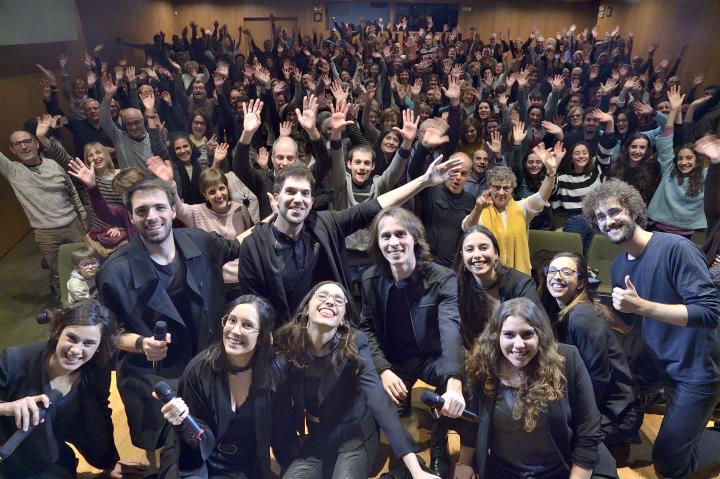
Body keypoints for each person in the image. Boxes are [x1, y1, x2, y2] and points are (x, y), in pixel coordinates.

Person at [96, 177, 242, 478]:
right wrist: (140, 343)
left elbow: (240, 243)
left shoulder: (199, 240)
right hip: (155, 373)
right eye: (142, 210)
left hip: (205, 359)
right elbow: (104, 332)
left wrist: (280, 213)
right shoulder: (114, 271)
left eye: (160, 207)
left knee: (218, 435)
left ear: (174, 210)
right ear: (131, 216)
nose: (152, 217)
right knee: (174, 447)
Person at [582, 179, 720, 478]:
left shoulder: (675, 247)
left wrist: (642, 306)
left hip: (698, 372)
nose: (609, 221)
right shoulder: (619, 266)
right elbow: (632, 324)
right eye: (601, 218)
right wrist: (604, 312)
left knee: (670, 465)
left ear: (633, 210)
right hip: (664, 370)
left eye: (614, 211)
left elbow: (709, 312)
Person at [237, 149, 463, 324]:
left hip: (330, 334)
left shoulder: (324, 224)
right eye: (291, 192)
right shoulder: (254, 246)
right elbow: (253, 304)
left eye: (305, 193)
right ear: (273, 199)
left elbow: (372, 207)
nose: (298, 199)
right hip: (283, 340)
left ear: (312, 202)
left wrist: (424, 181)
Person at [275, 281, 444, 479]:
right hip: (317, 437)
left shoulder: (355, 342)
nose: (330, 302)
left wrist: (415, 470)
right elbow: (277, 405)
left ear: (343, 319)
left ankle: (402, 474)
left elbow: (378, 401)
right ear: (306, 306)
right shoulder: (287, 342)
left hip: (355, 435)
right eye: (322, 296)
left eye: (339, 300)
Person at [452, 297, 617, 479]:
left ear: (540, 334)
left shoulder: (568, 359)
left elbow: (589, 429)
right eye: (509, 335)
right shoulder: (484, 367)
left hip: (564, 468)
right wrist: (464, 463)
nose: (519, 345)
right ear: (496, 335)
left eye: (527, 334)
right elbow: (472, 423)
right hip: (506, 471)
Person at [360, 207, 466, 477]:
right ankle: (412, 468)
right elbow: (367, 329)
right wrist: (383, 370)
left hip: (432, 356)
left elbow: (450, 326)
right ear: (378, 243)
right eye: (386, 236)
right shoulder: (370, 279)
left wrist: (454, 381)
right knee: (376, 403)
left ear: (414, 238)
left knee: (464, 385)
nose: (393, 242)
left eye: (400, 234)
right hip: (395, 361)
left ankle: (440, 442)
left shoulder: (442, 277)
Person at [0, 300, 145, 479]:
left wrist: (109, 462)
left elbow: (99, 417)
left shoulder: (96, 372)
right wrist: (7, 408)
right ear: (58, 331)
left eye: (88, 343)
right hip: (13, 456)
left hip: (54, 457)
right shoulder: (14, 360)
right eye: (72, 338)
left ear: (99, 347)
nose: (76, 350)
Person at [157, 295, 295, 478]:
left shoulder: (276, 373)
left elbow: (282, 433)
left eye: (247, 325)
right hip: (195, 457)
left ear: (262, 337)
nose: (235, 331)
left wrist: (294, 471)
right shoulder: (198, 370)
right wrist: (180, 421)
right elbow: (194, 438)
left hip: (244, 464)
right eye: (232, 320)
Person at [539, 252, 642, 446]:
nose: (557, 276)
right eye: (552, 271)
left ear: (580, 282)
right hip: (599, 403)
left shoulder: (582, 316)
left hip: (616, 414)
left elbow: (598, 377)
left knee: (549, 437)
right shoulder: (561, 310)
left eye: (566, 272)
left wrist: (579, 419)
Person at [1, 127, 86, 297]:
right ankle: (66, 304)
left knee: (85, 263)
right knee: (58, 272)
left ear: (36, 143)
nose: (24, 147)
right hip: (46, 233)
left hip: (73, 224)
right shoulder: (13, 171)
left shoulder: (53, 164)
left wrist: (83, 216)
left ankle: (89, 295)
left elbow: (72, 191)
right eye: (18, 144)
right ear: (12, 150)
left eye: (27, 141)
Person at [461, 147, 558, 275]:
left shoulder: (522, 208)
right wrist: (478, 209)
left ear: (512, 189)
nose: (501, 192)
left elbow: (541, 197)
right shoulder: (481, 210)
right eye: (497, 187)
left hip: (518, 275)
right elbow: (467, 227)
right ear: (489, 187)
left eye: (506, 188)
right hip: (488, 275)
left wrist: (551, 173)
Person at [453, 225, 541, 350]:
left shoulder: (522, 284)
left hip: (516, 352)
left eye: (483, 248)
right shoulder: (457, 286)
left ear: (496, 254)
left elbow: (538, 328)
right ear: (462, 255)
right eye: (469, 249)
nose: (477, 254)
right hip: (475, 354)